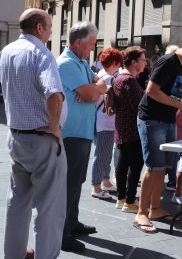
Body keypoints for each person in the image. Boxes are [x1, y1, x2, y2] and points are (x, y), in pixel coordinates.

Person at [0, 8, 66, 259]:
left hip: (16, 137)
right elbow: (54, 93)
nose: (52, 30)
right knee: (49, 206)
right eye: (50, 26)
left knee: (18, 201)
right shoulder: (42, 54)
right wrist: (55, 127)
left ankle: (14, 254)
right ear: (39, 29)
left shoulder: (7, 52)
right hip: (42, 138)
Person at [134, 37, 182, 233]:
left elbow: (176, 92)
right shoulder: (168, 61)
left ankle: (155, 208)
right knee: (153, 166)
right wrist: (181, 105)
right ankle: (141, 212)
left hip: (168, 121)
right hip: (152, 119)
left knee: (163, 166)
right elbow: (151, 91)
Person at [58, 22, 107, 253]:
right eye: (90, 44)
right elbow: (91, 92)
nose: (92, 49)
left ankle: (73, 223)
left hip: (83, 131)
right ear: (78, 42)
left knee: (76, 182)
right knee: (68, 184)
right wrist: (92, 89)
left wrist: (93, 87)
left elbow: (102, 85)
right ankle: (62, 234)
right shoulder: (67, 63)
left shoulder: (81, 62)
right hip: (72, 133)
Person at [113, 47, 148, 216]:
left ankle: (121, 198)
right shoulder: (129, 81)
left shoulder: (119, 78)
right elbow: (139, 106)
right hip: (132, 129)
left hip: (122, 127)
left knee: (123, 163)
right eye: (142, 60)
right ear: (134, 62)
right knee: (135, 165)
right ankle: (130, 200)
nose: (145, 63)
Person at [90, 48, 123, 200]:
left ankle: (105, 181)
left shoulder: (103, 75)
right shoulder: (109, 78)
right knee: (102, 154)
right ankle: (96, 186)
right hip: (105, 121)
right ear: (115, 63)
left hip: (103, 120)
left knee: (104, 153)